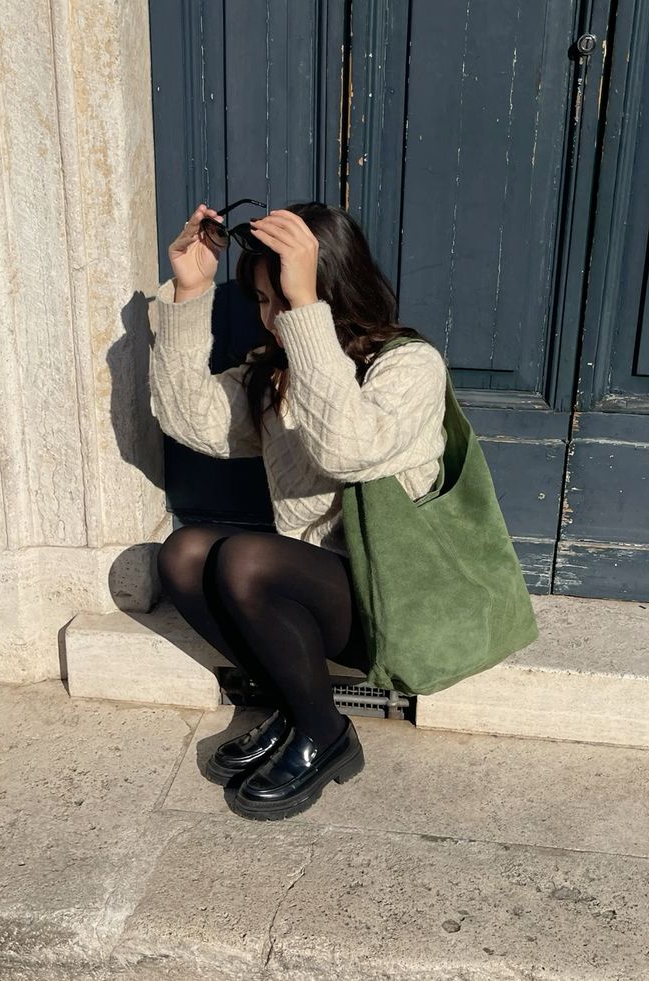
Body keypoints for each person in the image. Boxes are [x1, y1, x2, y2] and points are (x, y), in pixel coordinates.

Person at [149, 200, 448, 821]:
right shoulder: (279, 372)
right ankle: (297, 706)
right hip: (311, 592)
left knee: (246, 562)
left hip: (390, 601)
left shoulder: (410, 366)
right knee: (183, 555)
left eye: (281, 297)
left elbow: (346, 449)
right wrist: (190, 292)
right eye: (264, 302)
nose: (273, 318)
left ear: (327, 286)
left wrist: (304, 309)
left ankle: (326, 734)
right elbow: (190, 421)